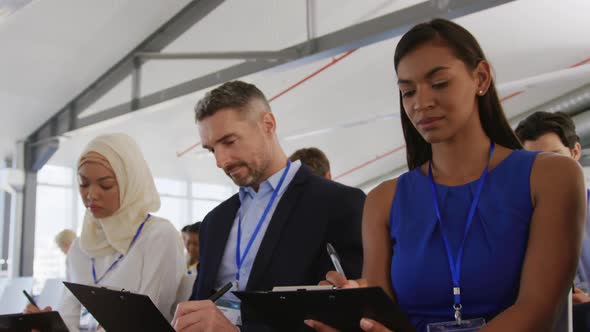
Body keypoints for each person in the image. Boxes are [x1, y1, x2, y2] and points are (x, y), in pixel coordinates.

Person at [306, 18, 586, 332]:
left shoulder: (550, 177)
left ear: (481, 77)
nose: (421, 103)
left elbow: (538, 309)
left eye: (439, 83)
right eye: (408, 91)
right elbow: (382, 316)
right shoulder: (384, 200)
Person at [172, 81, 366, 331]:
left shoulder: (339, 204)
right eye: (212, 150)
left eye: (229, 141)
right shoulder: (215, 221)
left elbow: (344, 318)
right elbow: (201, 301)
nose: (220, 161)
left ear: (268, 125)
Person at [25, 133, 186, 332]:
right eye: (83, 184)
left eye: (105, 185)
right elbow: (68, 316)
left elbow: (149, 320)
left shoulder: (158, 235)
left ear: (131, 183)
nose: (91, 195)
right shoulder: (80, 247)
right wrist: (50, 326)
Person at [516, 111, 590, 304]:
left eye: (555, 158)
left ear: (575, 152)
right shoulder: (519, 226)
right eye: (535, 162)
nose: (547, 171)